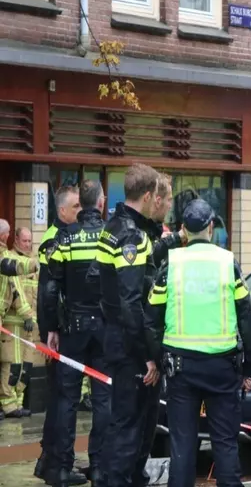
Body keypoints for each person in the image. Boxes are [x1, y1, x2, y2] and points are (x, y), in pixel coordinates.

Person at [145, 199, 251, 487]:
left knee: (182, 447)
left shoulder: (171, 265)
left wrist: (158, 360)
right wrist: (250, 369)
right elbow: (246, 318)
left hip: (181, 371)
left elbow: (152, 318)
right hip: (223, 368)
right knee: (225, 443)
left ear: (183, 229)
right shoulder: (227, 263)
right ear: (211, 227)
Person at [95, 163, 164, 487]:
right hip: (129, 346)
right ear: (148, 195)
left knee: (133, 424)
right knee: (130, 427)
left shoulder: (113, 227)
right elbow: (131, 302)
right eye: (156, 198)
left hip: (117, 338)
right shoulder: (131, 236)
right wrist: (148, 355)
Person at [44, 180, 111, 487]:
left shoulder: (65, 238)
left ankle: (60, 468)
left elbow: (49, 287)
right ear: (99, 203)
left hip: (72, 330)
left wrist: (51, 328)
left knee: (66, 399)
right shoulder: (111, 238)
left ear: (80, 205)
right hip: (105, 331)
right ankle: (99, 467)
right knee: (104, 399)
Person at [34, 186, 83, 485]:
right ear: (62, 210)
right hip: (59, 333)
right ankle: (56, 464)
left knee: (60, 400)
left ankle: (49, 460)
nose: (80, 211)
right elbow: (46, 293)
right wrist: (50, 331)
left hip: (61, 330)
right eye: (76, 206)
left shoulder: (66, 236)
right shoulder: (54, 240)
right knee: (62, 400)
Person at [0, 227, 40, 418]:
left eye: (30, 241)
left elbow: (38, 294)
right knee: (13, 365)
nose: (28, 244)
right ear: (14, 239)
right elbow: (15, 293)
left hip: (30, 324)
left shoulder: (32, 261)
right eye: (24, 241)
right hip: (14, 323)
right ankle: (8, 404)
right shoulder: (11, 261)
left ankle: (17, 401)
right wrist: (26, 315)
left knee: (26, 367)